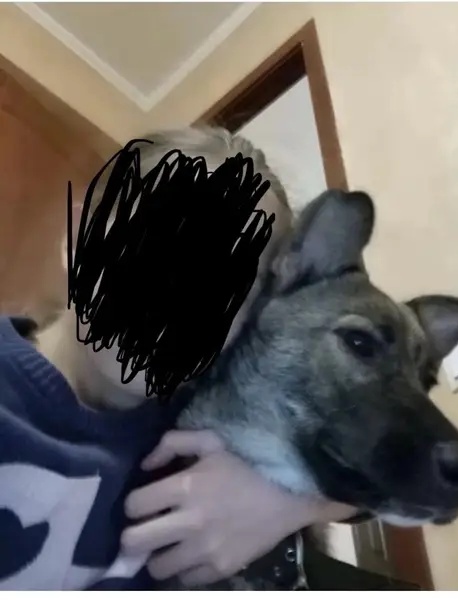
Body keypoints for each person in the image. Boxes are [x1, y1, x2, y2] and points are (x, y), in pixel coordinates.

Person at [0, 127, 356, 590]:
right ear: (80, 238)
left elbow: (392, 466)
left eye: (225, 287)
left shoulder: (199, 434)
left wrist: (281, 505)